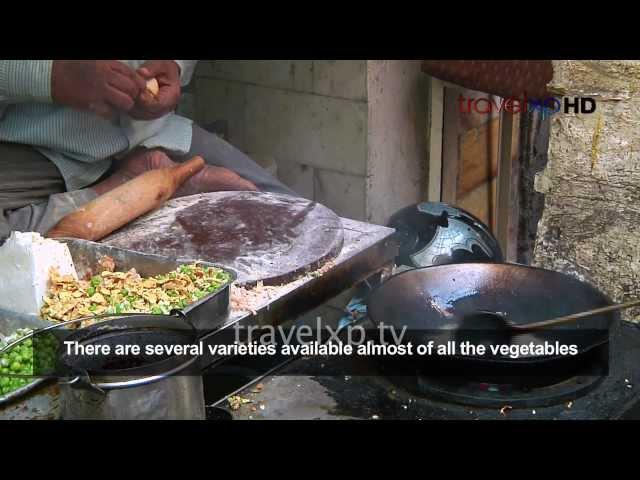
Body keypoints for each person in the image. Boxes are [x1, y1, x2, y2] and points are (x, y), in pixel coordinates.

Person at [0, 60, 296, 238]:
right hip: (35, 144)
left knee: (295, 217)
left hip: (152, 131)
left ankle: (151, 181)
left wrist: (174, 67)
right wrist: (50, 74)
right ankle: (127, 187)